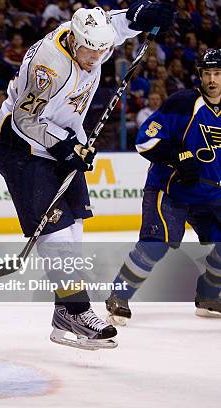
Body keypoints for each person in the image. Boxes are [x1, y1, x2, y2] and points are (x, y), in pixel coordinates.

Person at [0, 2, 175, 350]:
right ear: (74, 40)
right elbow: (25, 121)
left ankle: (65, 310)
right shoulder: (48, 66)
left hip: (62, 137)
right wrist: (65, 147)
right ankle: (77, 309)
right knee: (56, 231)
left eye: (101, 50)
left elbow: (119, 25)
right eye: (90, 50)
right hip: (23, 148)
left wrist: (143, 14)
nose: (96, 57)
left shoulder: (95, 36)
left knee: (74, 225)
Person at [106, 49, 221, 323]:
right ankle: (118, 296)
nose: (212, 80)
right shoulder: (182, 103)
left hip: (211, 194)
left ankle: (209, 295)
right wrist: (176, 157)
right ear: (200, 75)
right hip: (170, 189)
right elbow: (145, 140)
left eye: (217, 74)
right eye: (207, 74)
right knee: (154, 245)